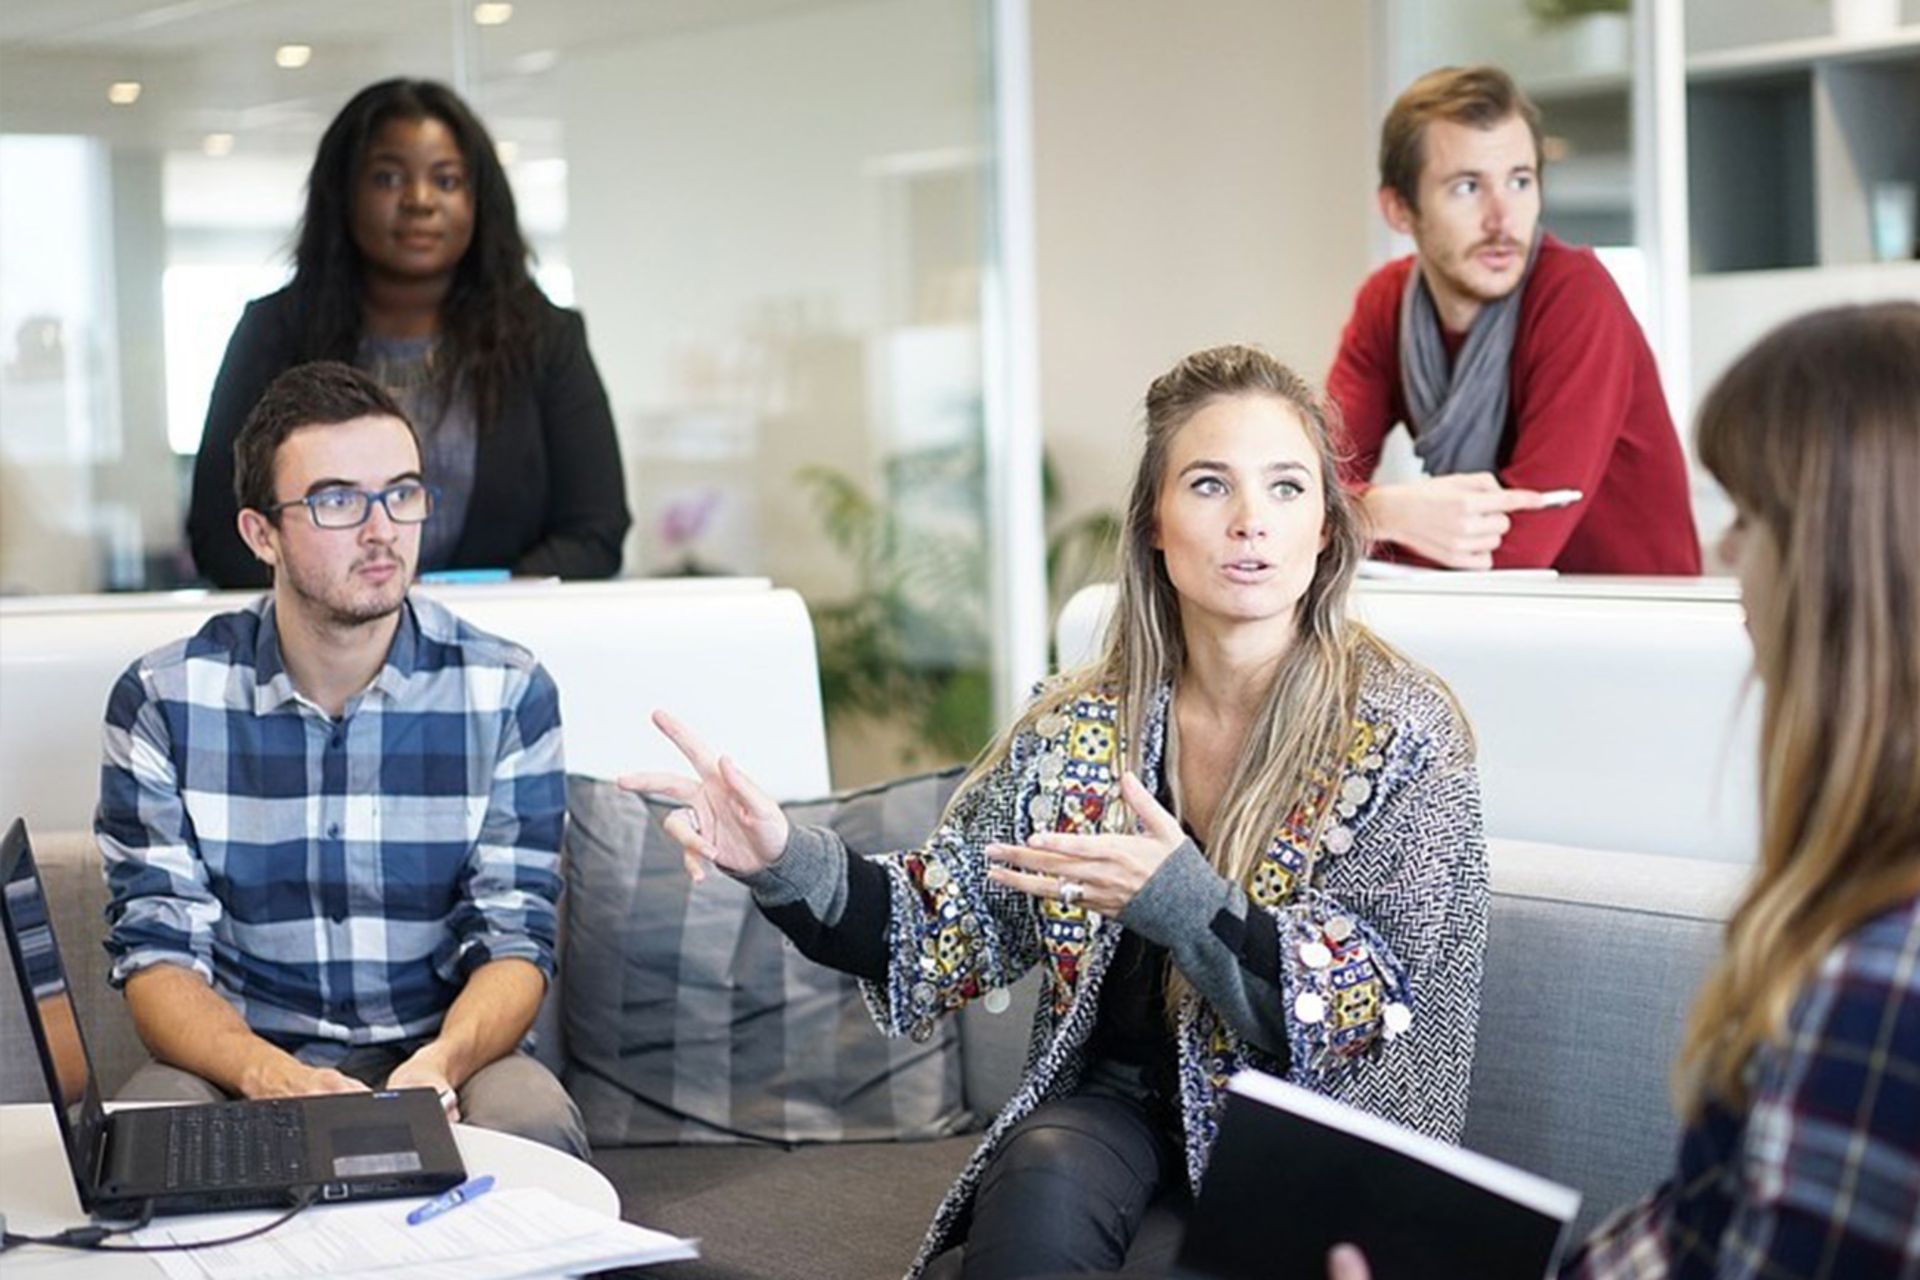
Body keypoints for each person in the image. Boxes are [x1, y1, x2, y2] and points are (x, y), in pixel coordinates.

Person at [628, 345, 1490, 1279]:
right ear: (1154, 525)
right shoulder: (1083, 723)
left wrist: (1181, 900)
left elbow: (1363, 1005)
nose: (1251, 522)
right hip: (1117, 1107)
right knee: (1036, 1176)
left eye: (1285, 488)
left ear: (1325, 525)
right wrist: (779, 856)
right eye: (1210, 484)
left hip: (1312, 1128)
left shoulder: (1403, 730)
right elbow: (944, 919)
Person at [1332, 305, 1920, 1278]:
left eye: (1751, 514)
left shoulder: (1878, 989)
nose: (1726, 553)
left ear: (1843, 564)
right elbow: (1694, 1234)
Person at [101, 361, 587, 1158]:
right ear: (262, 533)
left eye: (402, 492)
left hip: (446, 1055)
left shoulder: (507, 691)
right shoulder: (164, 700)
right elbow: (157, 957)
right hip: (242, 1059)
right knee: (144, 1132)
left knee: (531, 1123)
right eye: (336, 500)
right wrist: (268, 1074)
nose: (381, 529)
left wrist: (440, 1064)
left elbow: (515, 940)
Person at [187, 78, 629, 588]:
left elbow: (595, 532)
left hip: (504, 644)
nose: (420, 201)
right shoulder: (274, 334)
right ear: (343, 193)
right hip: (320, 653)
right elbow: (220, 535)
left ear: (479, 200)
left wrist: (466, 613)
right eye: (388, 179)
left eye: (447, 181)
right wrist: (351, 607)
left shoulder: (547, 339)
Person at [1326, 65, 1699, 575]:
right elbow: (1306, 489)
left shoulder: (1576, 295)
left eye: (1520, 181)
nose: (1502, 219)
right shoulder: (1385, 303)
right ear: (1399, 210)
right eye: (1466, 187)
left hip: (1632, 625)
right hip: (1494, 621)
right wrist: (1382, 511)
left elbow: (1519, 547)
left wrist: (1356, 520)